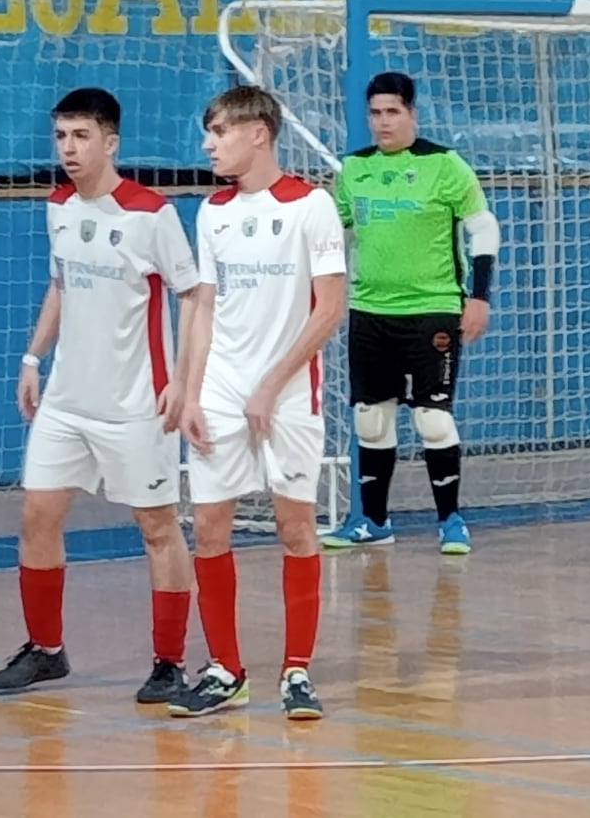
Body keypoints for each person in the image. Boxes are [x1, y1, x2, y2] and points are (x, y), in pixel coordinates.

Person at [0, 88, 200, 703]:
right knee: (37, 518)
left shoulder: (151, 213)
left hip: (136, 406)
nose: (68, 149)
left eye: (81, 136)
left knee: (157, 529)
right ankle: (47, 651)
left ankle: (168, 663)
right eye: (60, 137)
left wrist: (182, 381)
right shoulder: (57, 205)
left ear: (111, 141)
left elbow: (191, 298)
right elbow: (60, 285)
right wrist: (33, 358)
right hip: (66, 401)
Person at [168, 85, 349, 719]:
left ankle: (296, 671)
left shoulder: (312, 206)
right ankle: (225, 669)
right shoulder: (211, 212)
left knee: (295, 527)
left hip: (291, 394)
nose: (208, 144)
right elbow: (204, 309)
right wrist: (188, 392)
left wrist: (272, 384)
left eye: (218, 131)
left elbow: (331, 307)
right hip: (218, 392)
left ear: (259, 132)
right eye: (209, 132)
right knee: (209, 527)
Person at [320, 71, 499, 556]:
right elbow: (336, 236)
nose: (383, 122)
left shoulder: (445, 165)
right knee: (370, 421)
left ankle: (451, 521)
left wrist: (479, 298)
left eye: (392, 112)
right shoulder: (353, 169)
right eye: (375, 113)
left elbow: (484, 231)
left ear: (412, 114)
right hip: (369, 310)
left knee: (433, 420)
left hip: (433, 311)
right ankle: (373, 521)